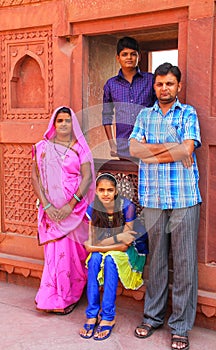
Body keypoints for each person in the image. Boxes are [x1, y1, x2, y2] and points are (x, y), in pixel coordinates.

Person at [129, 63, 202, 350]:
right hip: (154, 198)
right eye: (160, 84)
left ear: (178, 86)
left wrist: (152, 151)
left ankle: (181, 326)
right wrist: (170, 150)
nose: (164, 88)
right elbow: (134, 149)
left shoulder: (188, 113)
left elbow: (188, 149)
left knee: (184, 264)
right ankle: (152, 316)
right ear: (154, 86)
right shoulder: (144, 115)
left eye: (170, 84)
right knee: (156, 261)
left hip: (184, 198)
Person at [31, 106, 95, 315]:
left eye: (68, 120)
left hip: (74, 212)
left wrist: (70, 205)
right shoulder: (42, 148)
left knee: (72, 255)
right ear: (54, 124)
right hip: (50, 212)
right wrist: (47, 206)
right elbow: (35, 178)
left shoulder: (80, 149)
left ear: (73, 124)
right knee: (55, 254)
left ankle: (71, 295)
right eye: (60, 120)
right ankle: (51, 298)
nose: (64, 124)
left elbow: (86, 178)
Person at [79, 173, 148, 341]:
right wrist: (97, 245)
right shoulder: (93, 208)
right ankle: (92, 314)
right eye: (101, 190)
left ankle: (108, 316)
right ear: (95, 191)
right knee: (95, 259)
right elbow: (92, 240)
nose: (106, 194)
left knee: (110, 260)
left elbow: (124, 245)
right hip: (107, 247)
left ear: (116, 191)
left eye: (110, 190)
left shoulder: (127, 207)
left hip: (131, 252)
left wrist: (97, 245)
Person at [102, 36, 156, 160]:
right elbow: (106, 115)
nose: (129, 58)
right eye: (124, 54)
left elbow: (159, 109)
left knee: (149, 178)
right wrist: (112, 145)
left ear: (139, 57)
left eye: (133, 54)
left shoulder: (150, 80)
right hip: (123, 146)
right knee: (129, 178)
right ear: (118, 58)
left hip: (148, 143)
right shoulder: (111, 84)